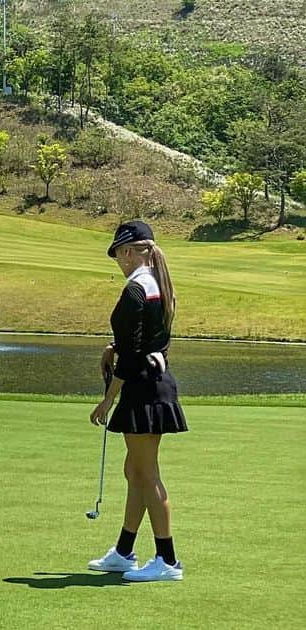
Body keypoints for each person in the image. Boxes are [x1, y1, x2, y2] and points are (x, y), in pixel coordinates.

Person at [88, 220, 187, 582]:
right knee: (134, 471)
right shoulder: (156, 283)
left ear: (129, 252)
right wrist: (114, 347)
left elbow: (131, 358)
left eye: (117, 254)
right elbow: (144, 342)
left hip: (144, 389)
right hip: (151, 384)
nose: (117, 260)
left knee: (146, 475)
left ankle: (168, 560)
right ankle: (125, 551)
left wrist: (106, 401)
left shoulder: (135, 289)